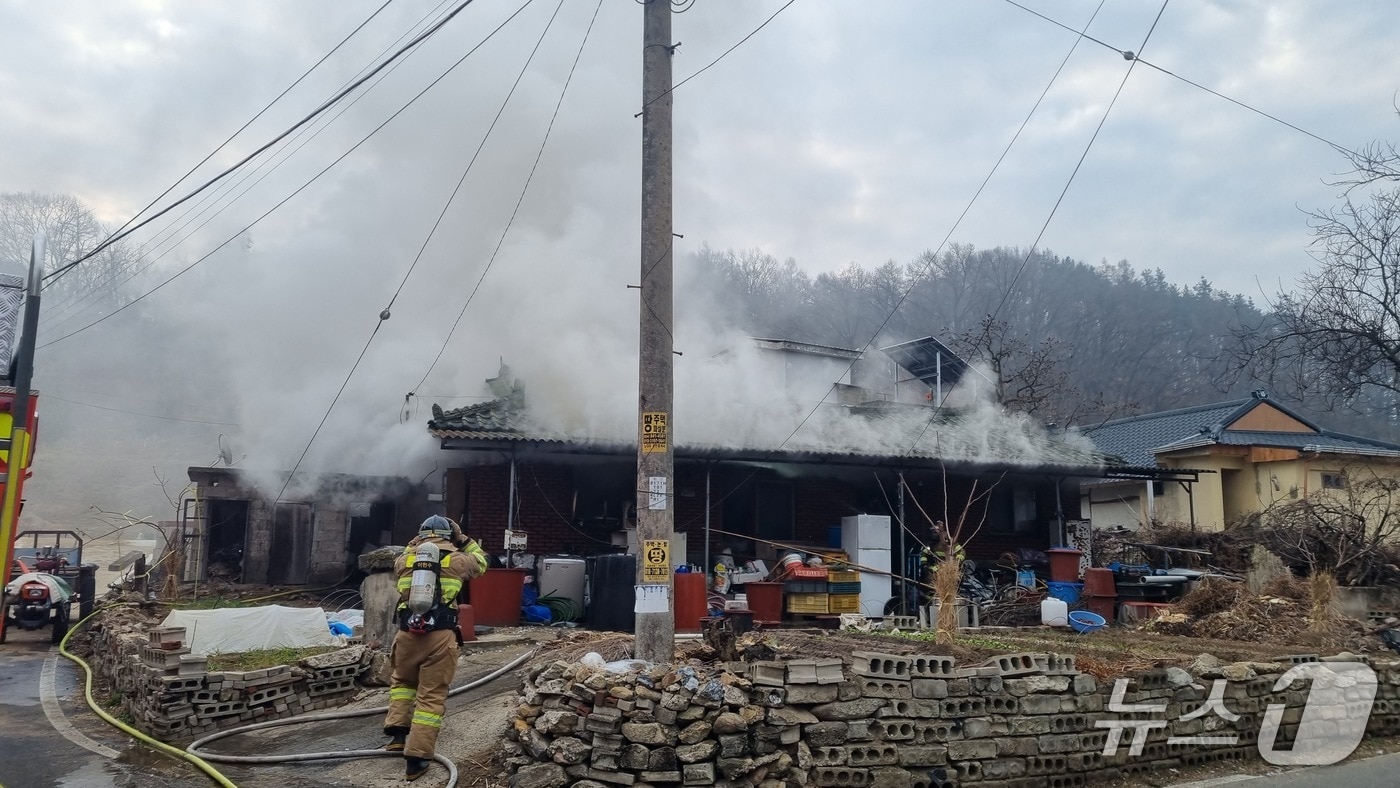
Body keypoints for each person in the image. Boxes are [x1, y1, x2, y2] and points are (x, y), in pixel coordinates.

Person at [383, 515, 488, 781]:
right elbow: (483, 562)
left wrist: (416, 542)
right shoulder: (459, 560)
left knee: (403, 683)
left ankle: (397, 734)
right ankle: (416, 759)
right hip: (439, 636)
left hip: (407, 634)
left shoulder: (404, 561)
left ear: (420, 536)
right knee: (430, 696)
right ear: (448, 535)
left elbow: (407, 552)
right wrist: (462, 539)